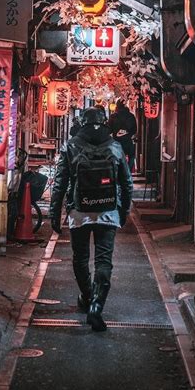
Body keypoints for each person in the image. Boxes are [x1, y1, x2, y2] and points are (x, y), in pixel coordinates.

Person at [49, 106, 133, 332]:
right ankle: (97, 305)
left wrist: (54, 213)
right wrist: (124, 211)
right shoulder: (115, 146)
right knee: (104, 261)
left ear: (82, 123)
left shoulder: (71, 145)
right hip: (108, 212)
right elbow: (127, 183)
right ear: (104, 122)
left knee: (80, 258)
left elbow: (59, 184)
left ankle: (87, 296)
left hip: (79, 213)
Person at [108, 99, 137, 172]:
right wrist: (127, 132)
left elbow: (109, 130)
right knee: (132, 156)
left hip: (116, 142)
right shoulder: (131, 116)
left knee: (115, 157)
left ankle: (117, 171)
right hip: (127, 141)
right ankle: (128, 171)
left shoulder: (113, 116)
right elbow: (134, 130)